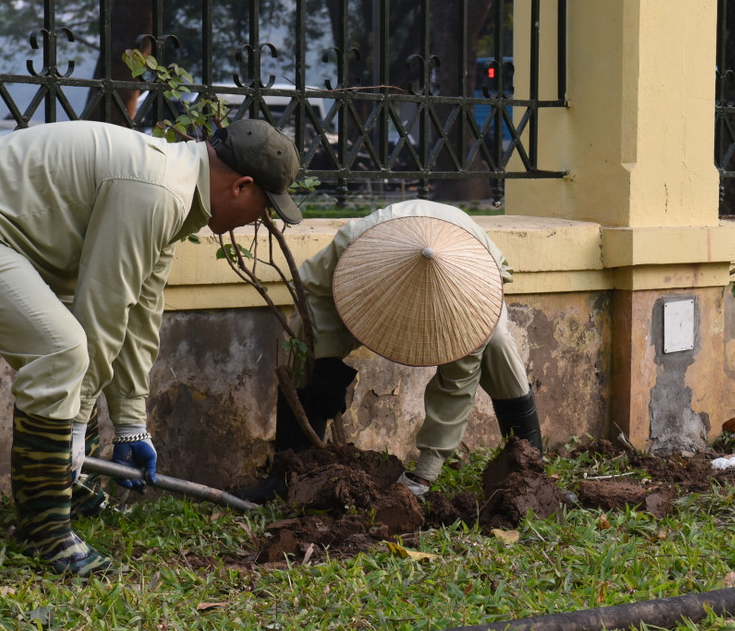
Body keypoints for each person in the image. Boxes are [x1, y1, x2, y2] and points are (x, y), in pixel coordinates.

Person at [0, 118, 302, 574]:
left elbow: (141, 312)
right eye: (265, 207)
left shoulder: (176, 189)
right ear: (242, 186)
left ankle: (63, 484)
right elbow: (102, 312)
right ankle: (45, 532)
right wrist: (75, 429)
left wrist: (130, 424)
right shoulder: (157, 190)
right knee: (61, 350)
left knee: (66, 349)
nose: (261, 219)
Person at [232, 198, 542, 504]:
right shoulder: (355, 244)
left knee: (498, 343)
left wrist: (424, 475)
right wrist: (325, 361)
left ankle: (529, 470)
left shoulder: (470, 306)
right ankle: (288, 473)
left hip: (470, 277)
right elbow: (312, 289)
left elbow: (456, 388)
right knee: (303, 327)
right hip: (389, 254)